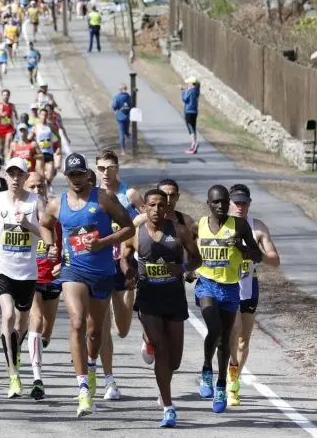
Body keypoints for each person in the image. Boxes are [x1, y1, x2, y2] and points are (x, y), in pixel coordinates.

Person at [39, 153, 134, 417]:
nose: (77, 180)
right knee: (77, 322)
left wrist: (103, 242)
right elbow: (45, 224)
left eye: (80, 174)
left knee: (94, 332)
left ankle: (91, 367)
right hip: (73, 270)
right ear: (66, 177)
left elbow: (129, 229)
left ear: (86, 174)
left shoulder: (103, 199)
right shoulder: (57, 204)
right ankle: (82, 387)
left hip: (102, 272)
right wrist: (51, 246)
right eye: (72, 175)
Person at [121, 188, 201, 428]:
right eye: (152, 205)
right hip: (148, 298)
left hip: (174, 298)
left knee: (174, 360)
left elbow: (197, 258)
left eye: (161, 205)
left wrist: (185, 268)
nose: (156, 210)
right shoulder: (136, 233)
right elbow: (124, 256)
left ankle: (152, 346)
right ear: (144, 208)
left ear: (167, 208)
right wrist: (128, 270)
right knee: (162, 350)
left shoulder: (178, 230)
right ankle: (168, 407)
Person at [192, 185, 262, 413]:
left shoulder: (239, 226)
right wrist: (188, 269)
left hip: (231, 288)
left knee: (224, 340)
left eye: (224, 202)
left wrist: (242, 248)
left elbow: (257, 255)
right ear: (208, 204)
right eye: (216, 202)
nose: (220, 206)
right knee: (214, 328)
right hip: (207, 285)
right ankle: (205, 370)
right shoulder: (199, 225)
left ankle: (221, 384)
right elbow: (189, 251)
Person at [0, 157, 43, 398]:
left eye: (20, 174)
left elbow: (46, 235)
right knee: (7, 315)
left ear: (26, 176)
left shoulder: (36, 202)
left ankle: (14, 359)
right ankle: (14, 376)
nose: (15, 179)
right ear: (5, 177)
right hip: (2, 269)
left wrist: (29, 225)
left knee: (20, 326)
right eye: (11, 174)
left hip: (27, 272)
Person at [226, 184, 280, 407]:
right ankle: (230, 383)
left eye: (244, 203)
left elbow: (275, 260)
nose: (240, 207)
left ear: (249, 204)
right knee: (233, 330)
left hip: (249, 284)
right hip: (226, 285)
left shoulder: (257, 227)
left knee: (243, 340)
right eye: (236, 203)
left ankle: (234, 377)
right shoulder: (219, 226)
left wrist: (255, 253)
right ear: (229, 203)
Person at [96, 149, 142, 400]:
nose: (105, 173)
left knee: (122, 330)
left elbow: (148, 218)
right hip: (99, 266)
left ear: (117, 168)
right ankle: (109, 380)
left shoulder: (130, 194)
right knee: (101, 326)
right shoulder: (93, 195)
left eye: (110, 167)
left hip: (125, 266)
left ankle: (145, 336)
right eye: (101, 168)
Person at [25, 172, 61, 400]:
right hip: (31, 275)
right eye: (33, 185)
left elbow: (68, 239)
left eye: (41, 185)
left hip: (54, 275)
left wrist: (64, 264)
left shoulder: (56, 211)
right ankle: (37, 377)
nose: (37, 189)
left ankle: (36, 342)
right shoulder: (23, 213)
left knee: (47, 329)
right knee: (36, 320)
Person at [111, 85, 132, 156]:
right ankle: (133, 142)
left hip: (120, 117)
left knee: (122, 133)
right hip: (128, 116)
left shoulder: (117, 97)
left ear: (120, 89)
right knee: (126, 131)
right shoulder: (129, 97)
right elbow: (131, 105)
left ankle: (123, 150)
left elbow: (114, 107)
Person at [181, 77, 200, 154]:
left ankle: (194, 143)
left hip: (188, 111)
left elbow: (185, 99)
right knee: (193, 128)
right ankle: (193, 146)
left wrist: (182, 92)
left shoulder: (190, 91)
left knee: (190, 128)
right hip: (194, 112)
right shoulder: (196, 91)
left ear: (191, 83)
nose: (187, 84)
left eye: (188, 83)